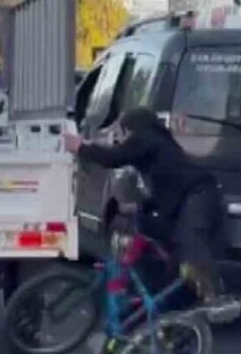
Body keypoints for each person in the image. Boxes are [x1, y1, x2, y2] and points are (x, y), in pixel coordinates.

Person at [62, 107, 227, 306]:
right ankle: (177, 308)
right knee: (168, 252)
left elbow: (113, 158)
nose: (119, 140)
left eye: (121, 134)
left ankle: (214, 294)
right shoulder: (158, 143)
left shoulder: (147, 138)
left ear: (130, 130)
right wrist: (139, 207)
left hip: (199, 195)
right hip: (187, 198)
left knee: (189, 239)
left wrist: (80, 147)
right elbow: (168, 189)